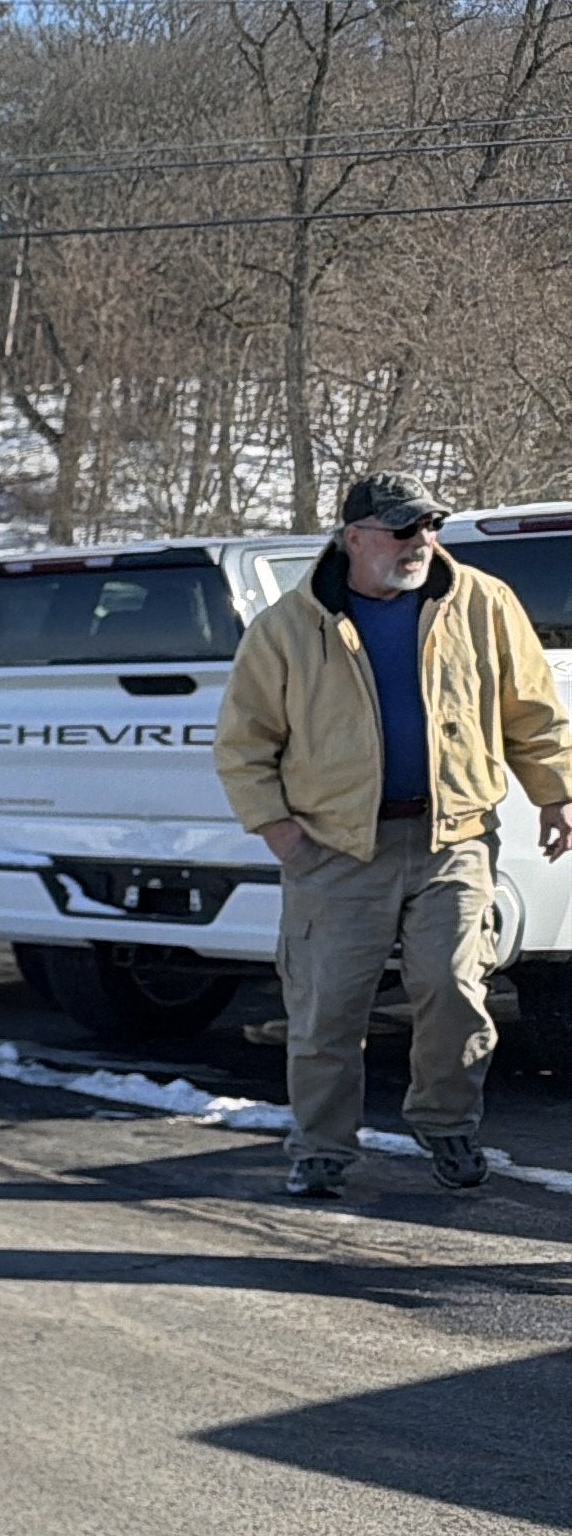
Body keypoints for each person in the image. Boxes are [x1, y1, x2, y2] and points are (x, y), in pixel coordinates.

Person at [214, 473, 572, 1197]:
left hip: (455, 839)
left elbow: (533, 713)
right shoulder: (289, 625)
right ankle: (321, 1149)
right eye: (402, 530)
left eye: (429, 527)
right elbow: (243, 745)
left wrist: (558, 795)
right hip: (336, 848)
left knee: (455, 990)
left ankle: (448, 1127)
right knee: (326, 1011)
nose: (420, 544)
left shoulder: (482, 602)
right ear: (353, 539)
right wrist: (281, 832)